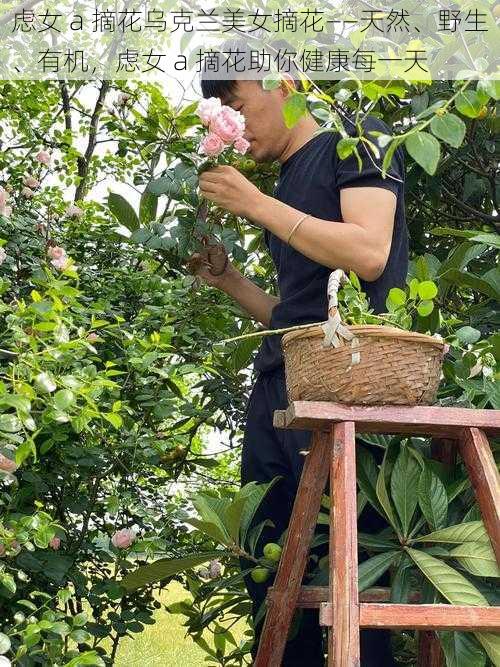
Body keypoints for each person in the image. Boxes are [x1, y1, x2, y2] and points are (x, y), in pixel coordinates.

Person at [188, 62, 408, 666]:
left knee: (348, 581)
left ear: (282, 82)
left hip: (349, 386)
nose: (235, 124)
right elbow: (296, 311)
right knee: (273, 572)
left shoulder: (358, 135)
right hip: (281, 384)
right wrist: (230, 280)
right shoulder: (284, 180)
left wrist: (256, 205)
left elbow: (368, 252)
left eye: (236, 103)